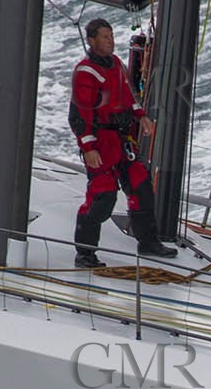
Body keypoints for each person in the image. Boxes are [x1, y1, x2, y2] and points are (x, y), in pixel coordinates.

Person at [68, 18, 174, 268]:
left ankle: (148, 243)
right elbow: (78, 116)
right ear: (92, 41)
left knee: (141, 185)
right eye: (105, 37)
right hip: (101, 144)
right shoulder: (85, 71)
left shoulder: (116, 64)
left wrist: (141, 116)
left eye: (112, 36)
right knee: (102, 196)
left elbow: (129, 96)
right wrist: (89, 148)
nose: (111, 41)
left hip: (122, 140)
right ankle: (85, 254)